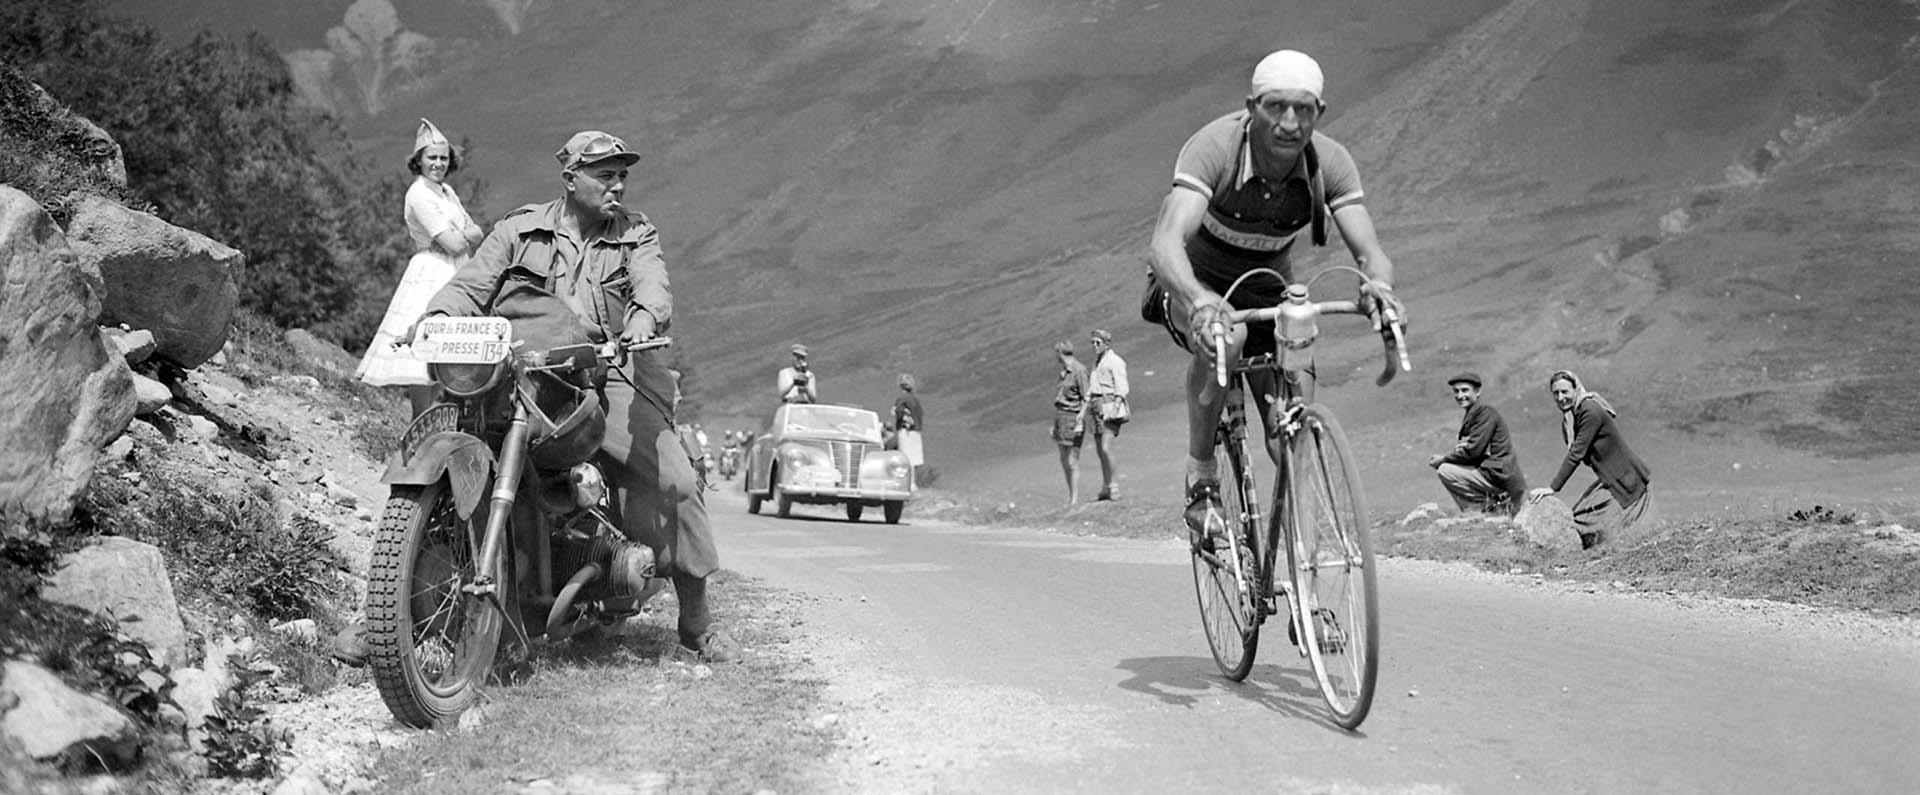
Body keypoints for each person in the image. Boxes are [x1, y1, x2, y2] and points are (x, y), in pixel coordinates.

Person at [419, 129, 733, 661]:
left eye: (622, 176)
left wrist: (640, 318)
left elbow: (653, 284)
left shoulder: (635, 232)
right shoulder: (520, 231)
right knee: (452, 454)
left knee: (674, 481)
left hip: (607, 371)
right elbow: (471, 284)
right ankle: (402, 606)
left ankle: (696, 619)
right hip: (527, 370)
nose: (618, 186)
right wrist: (439, 316)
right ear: (570, 180)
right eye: (605, 175)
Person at [1144, 49, 1404, 539]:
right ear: (1251, 106)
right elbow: (1166, 243)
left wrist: (1381, 290)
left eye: (1303, 109)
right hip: (1190, 283)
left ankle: (1306, 572)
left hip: (1266, 286)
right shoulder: (1214, 147)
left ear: (1319, 113)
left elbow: (1371, 251)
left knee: (1291, 428)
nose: (1289, 122)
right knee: (1229, 338)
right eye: (1275, 107)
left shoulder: (1330, 161)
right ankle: (1201, 475)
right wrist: (1199, 301)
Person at [355, 119, 486, 417]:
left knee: (450, 347)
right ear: (419, 161)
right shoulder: (418, 194)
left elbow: (474, 232)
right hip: (431, 268)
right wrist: (462, 237)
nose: (438, 164)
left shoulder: (447, 193)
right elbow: (453, 243)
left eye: (443, 158)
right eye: (432, 158)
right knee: (424, 344)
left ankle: (443, 418)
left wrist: (462, 237)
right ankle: (420, 419)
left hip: (456, 270)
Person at [1529, 370, 1654, 548]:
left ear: (1576, 389)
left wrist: (1552, 488)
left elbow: (1576, 454)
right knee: (1580, 515)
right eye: (1556, 393)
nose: (1560, 397)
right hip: (1612, 477)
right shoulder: (1574, 414)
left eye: (1565, 391)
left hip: (1625, 479)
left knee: (1583, 522)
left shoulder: (1589, 412)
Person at [1426, 371, 1526, 515]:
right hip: (1494, 466)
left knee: (1445, 470)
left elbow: (1473, 451)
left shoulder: (1484, 412)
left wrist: (1444, 459)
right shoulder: (1475, 411)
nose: (1460, 396)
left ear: (1477, 391)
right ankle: (1489, 506)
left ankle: (1482, 510)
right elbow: (1476, 450)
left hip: (1499, 468)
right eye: (1456, 391)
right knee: (1458, 462)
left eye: (1465, 390)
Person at [1086, 329, 1129, 501]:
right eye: (1093, 343)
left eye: (1098, 343)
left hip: (1109, 404)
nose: (1095, 346)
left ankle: (1114, 486)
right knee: (1099, 448)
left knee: (1106, 447)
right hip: (1096, 404)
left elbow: (1122, 386)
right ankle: (1106, 486)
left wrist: (1116, 406)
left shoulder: (1115, 361)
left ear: (1106, 343)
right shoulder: (1097, 363)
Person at [1050, 340, 1092, 505]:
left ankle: (1074, 499)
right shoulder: (1064, 372)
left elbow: (1086, 396)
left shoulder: (1078, 370)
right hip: (1061, 415)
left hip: (1072, 415)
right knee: (1063, 457)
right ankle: (1070, 496)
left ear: (1060, 353)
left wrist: (1080, 417)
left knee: (1072, 459)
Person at [892, 373, 926, 472]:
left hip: (905, 430)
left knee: (905, 457)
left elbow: (899, 412)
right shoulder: (915, 399)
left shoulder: (902, 399)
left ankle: (908, 482)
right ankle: (913, 482)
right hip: (916, 430)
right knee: (914, 459)